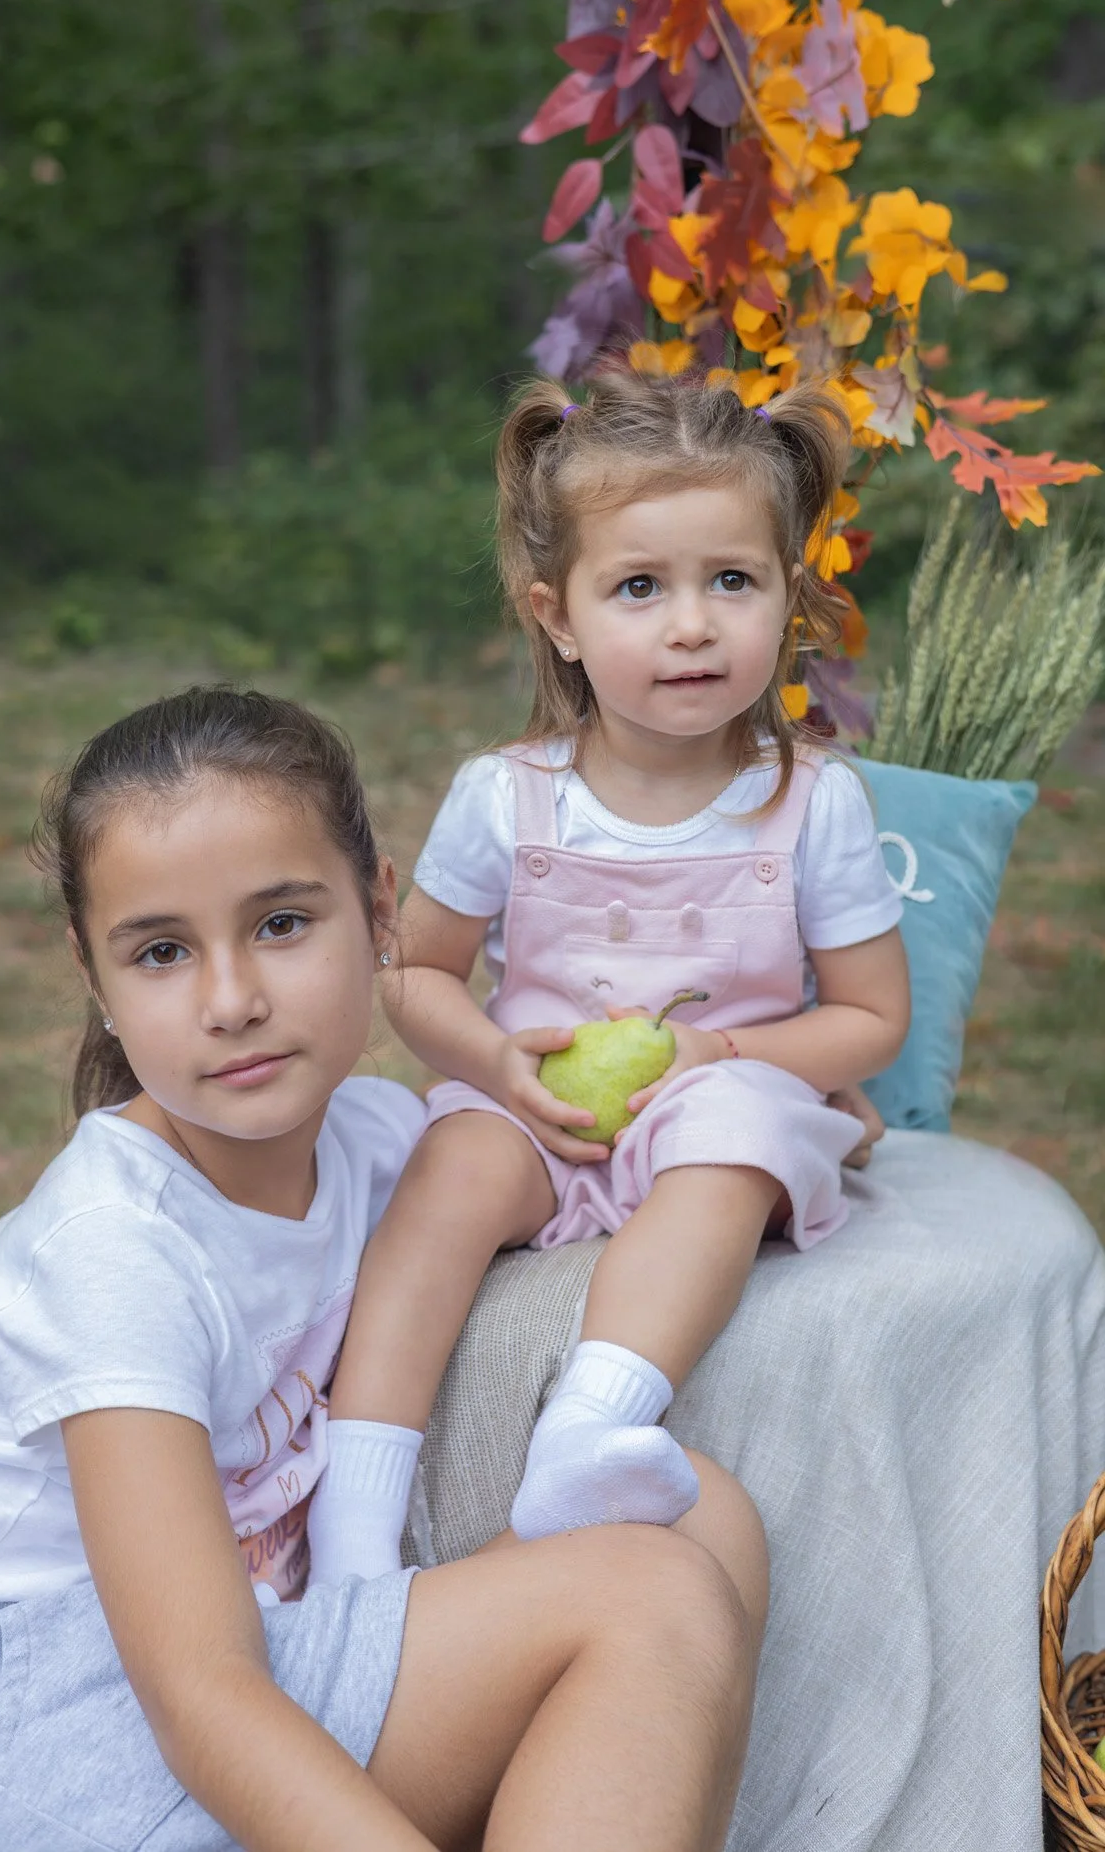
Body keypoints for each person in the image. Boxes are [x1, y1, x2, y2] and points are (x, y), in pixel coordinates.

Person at [0, 683, 769, 1852]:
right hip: (42, 1743)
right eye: (162, 952)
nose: (232, 1001)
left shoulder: (383, 1147)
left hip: (270, 1653)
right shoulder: (111, 1253)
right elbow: (198, 1692)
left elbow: (585, 1173)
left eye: (282, 925)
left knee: (699, 1520)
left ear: (380, 910)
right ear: (94, 976)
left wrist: (774, 1083)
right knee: (650, 1596)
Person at [306, 370, 910, 1589]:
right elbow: (415, 975)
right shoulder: (510, 794)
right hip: (537, 1109)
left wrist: (721, 1057)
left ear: (789, 598)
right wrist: (493, 1064)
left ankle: (591, 1429)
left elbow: (870, 1018)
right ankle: (355, 1527)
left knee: (732, 1142)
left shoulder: (812, 804)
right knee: (447, 1176)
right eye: (640, 587)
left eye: (731, 581)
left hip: (710, 1100)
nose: (691, 625)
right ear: (559, 616)